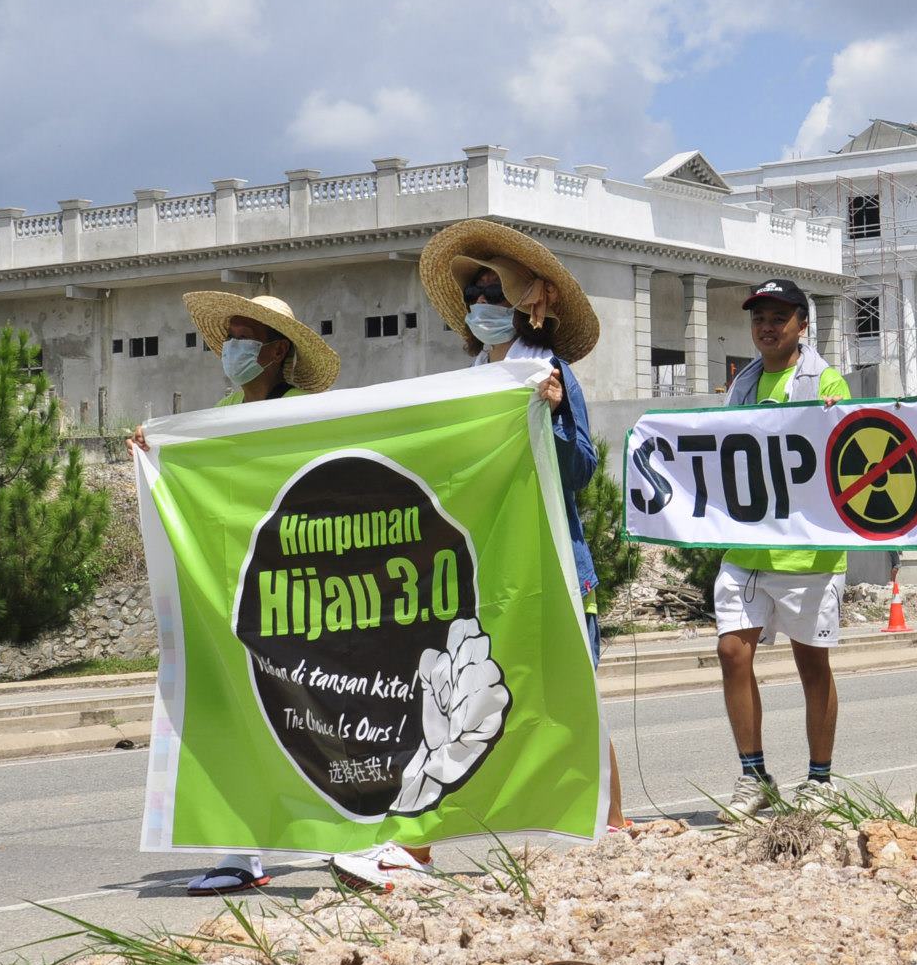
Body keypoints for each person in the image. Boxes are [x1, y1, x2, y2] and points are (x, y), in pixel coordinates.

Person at [331, 220, 622, 891]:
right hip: (485, 566)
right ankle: (418, 846)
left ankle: (612, 826)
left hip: (550, 560)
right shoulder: (465, 384)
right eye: (476, 293)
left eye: (496, 291)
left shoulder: (547, 373)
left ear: (526, 303)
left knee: (570, 692)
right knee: (459, 702)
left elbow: (579, 471)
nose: (483, 302)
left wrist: (552, 413)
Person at [134, 291, 341, 896]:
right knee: (236, 711)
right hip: (238, 587)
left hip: (302, 587)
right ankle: (240, 852)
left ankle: (351, 832)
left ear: (276, 350)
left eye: (244, 337)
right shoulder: (220, 413)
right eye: (228, 337)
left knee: (318, 710)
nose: (231, 348)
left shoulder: (308, 411)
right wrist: (155, 450)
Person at [713, 280, 851, 816]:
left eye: (778, 317)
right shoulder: (742, 384)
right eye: (759, 318)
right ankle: (754, 776)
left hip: (806, 554)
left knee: (811, 665)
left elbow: (846, 446)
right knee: (731, 652)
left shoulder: (826, 379)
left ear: (802, 324)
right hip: (747, 549)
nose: (766, 327)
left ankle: (820, 779)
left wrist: (837, 415)